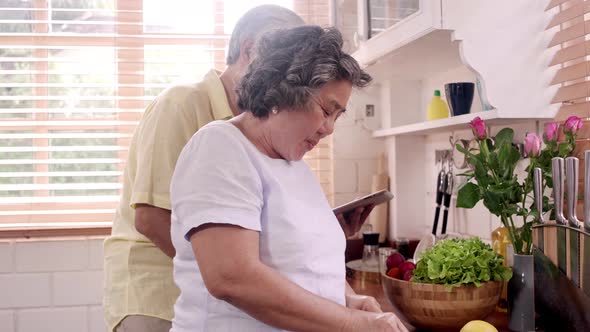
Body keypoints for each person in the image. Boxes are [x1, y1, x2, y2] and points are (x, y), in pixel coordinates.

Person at [103, 5, 374, 332]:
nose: (328, 129)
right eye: (325, 110)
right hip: (156, 297)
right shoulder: (195, 118)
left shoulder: (285, 153)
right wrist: (217, 258)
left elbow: (271, 245)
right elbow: (153, 218)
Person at [170, 25, 408, 332]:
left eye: (338, 116)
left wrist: (348, 299)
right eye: (326, 110)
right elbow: (231, 277)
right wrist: (352, 323)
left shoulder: (295, 165)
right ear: (282, 92)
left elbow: (302, 267)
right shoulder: (220, 148)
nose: (329, 128)